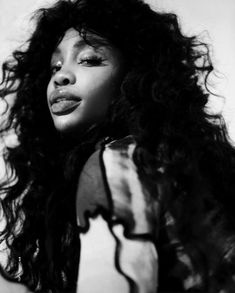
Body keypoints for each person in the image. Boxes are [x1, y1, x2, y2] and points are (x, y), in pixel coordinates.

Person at [0, 0, 235, 292]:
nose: (61, 76)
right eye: (54, 67)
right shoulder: (169, 165)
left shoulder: (119, 161)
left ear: (133, 78)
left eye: (89, 59)